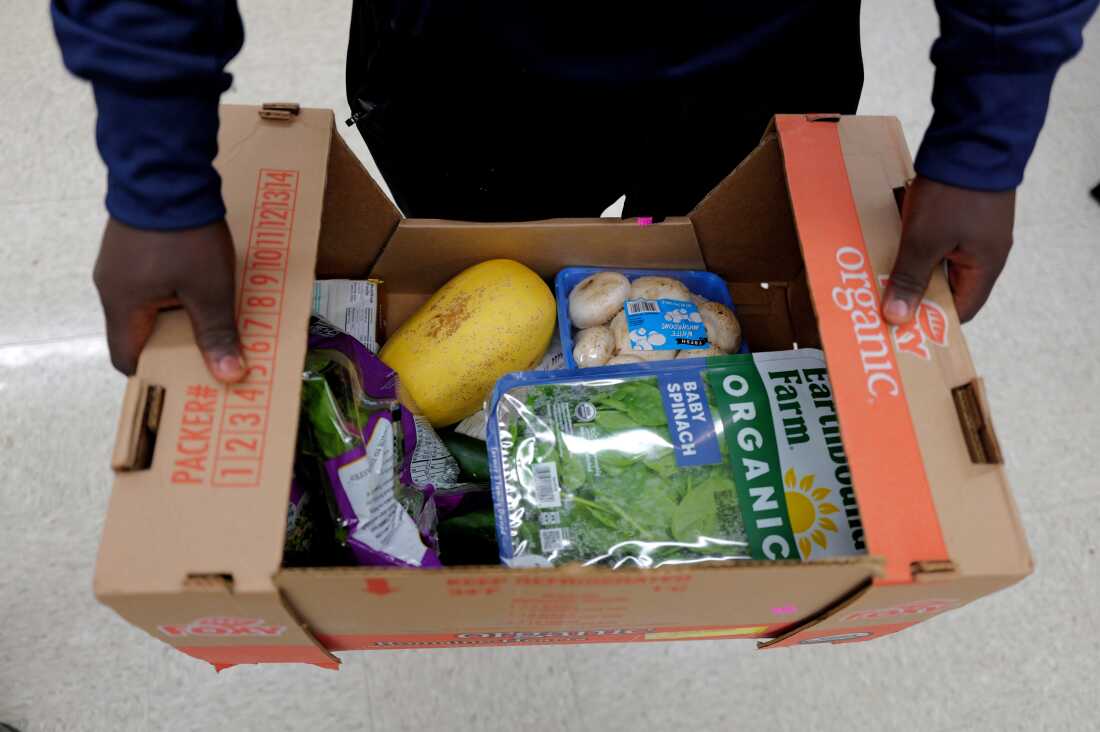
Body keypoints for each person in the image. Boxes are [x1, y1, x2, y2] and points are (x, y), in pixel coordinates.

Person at [52, 1, 1097, 384]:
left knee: (710, 288)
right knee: (474, 264)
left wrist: (982, 136)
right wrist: (156, 173)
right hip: (461, 62)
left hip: (762, 58)